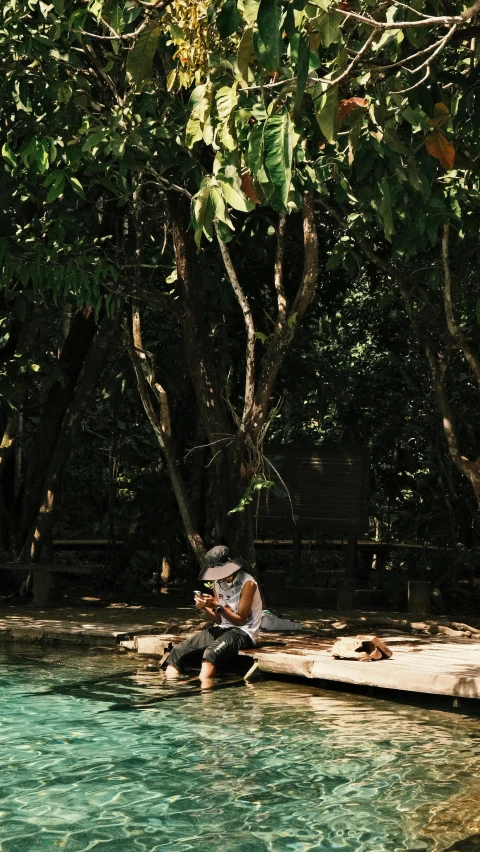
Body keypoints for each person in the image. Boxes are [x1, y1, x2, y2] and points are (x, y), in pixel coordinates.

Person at [165, 545, 262, 686]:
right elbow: (218, 619)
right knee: (178, 651)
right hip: (224, 628)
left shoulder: (248, 583)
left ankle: (205, 694)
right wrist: (205, 608)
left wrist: (217, 606)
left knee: (210, 653)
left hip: (244, 632)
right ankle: (169, 689)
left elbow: (240, 621)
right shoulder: (217, 583)